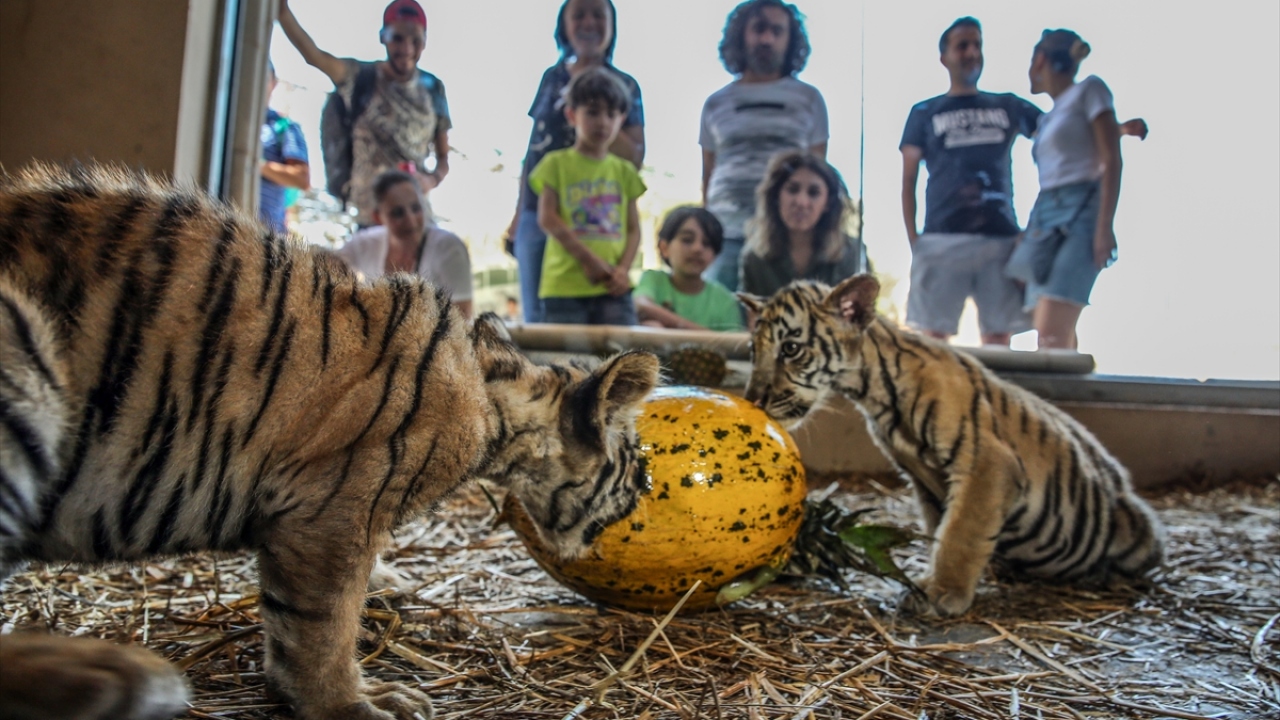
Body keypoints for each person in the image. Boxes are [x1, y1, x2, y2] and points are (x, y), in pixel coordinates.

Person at [902, 17, 1146, 346]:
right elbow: (909, 178)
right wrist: (914, 239)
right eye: (962, 46)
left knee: (1003, 336)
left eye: (977, 45)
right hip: (941, 238)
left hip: (1000, 239)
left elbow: (1065, 130)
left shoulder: (1007, 104)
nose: (972, 52)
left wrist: (1117, 129)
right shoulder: (924, 111)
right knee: (934, 340)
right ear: (944, 57)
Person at [507, 0, 644, 323]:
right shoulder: (551, 78)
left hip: (596, 218)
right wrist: (517, 213)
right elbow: (535, 147)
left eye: (598, 14)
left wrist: (598, 104)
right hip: (538, 209)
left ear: (611, 25)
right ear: (564, 26)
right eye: (578, 14)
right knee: (540, 316)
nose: (588, 22)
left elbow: (636, 155)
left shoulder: (625, 85)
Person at [277, 0, 451, 227]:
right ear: (383, 37)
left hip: (414, 219)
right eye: (398, 38)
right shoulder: (360, 77)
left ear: (425, 42)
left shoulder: (433, 89)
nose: (407, 49)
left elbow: (443, 158)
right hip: (370, 217)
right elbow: (315, 57)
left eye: (415, 40)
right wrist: (283, 13)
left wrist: (430, 180)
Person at [701, 0, 828, 292]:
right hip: (725, 234)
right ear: (742, 35)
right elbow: (708, 171)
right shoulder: (715, 103)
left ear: (790, 39)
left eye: (777, 31)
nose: (767, 39)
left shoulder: (809, 99)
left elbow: (817, 171)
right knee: (720, 318)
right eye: (759, 29)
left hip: (785, 239)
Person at [1020, 29, 1134, 349]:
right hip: (1045, 214)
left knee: (1052, 326)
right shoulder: (1049, 117)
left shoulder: (1090, 90)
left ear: (1040, 60)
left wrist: (1104, 226)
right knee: (1047, 323)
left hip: (1081, 208)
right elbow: (1075, 140)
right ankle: (1072, 381)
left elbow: (1111, 158)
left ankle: (1057, 382)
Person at [529, 67, 645, 326]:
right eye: (593, 112)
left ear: (621, 119)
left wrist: (623, 270)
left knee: (624, 351)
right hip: (564, 287)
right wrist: (588, 260)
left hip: (613, 288)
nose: (602, 122)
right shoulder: (555, 164)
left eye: (611, 114)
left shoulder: (625, 172)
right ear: (572, 115)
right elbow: (547, 217)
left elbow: (633, 229)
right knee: (565, 352)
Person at [336, 169, 473, 319]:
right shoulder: (365, 244)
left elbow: (462, 318)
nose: (411, 220)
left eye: (416, 208)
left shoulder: (448, 248)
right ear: (378, 217)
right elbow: (327, 265)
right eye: (397, 213)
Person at [739, 151, 865, 299]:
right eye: (792, 190)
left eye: (813, 193)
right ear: (776, 196)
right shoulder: (755, 259)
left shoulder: (851, 253)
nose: (801, 202)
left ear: (828, 203)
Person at [635, 206, 744, 331]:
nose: (697, 249)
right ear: (664, 248)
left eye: (707, 243)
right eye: (687, 240)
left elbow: (734, 340)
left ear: (715, 255)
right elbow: (641, 305)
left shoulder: (725, 301)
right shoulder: (654, 280)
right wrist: (710, 337)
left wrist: (668, 330)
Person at [259, 61, 309, 233]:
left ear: (274, 83)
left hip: (266, 233)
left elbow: (301, 178)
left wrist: (257, 165)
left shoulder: (284, 128)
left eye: (264, 78)